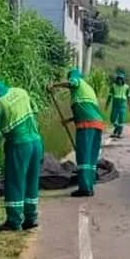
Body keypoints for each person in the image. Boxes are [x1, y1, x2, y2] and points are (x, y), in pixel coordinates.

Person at [0, 75, 43, 231]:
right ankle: (31, 218)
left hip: (19, 145)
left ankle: (14, 221)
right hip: (36, 142)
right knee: (31, 181)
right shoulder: (20, 92)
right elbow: (35, 112)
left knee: (15, 182)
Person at [47, 68, 105, 197]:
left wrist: (54, 85)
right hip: (97, 125)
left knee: (83, 157)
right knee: (90, 158)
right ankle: (90, 184)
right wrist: (69, 120)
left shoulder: (77, 82)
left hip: (86, 126)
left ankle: (84, 188)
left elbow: (72, 83)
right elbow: (86, 109)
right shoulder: (88, 89)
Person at [107, 71, 130, 138]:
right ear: (117, 79)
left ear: (123, 80)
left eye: (121, 79)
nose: (120, 80)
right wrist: (107, 105)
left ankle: (118, 134)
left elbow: (129, 97)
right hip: (115, 104)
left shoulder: (127, 87)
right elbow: (109, 96)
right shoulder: (113, 86)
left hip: (122, 105)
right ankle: (116, 129)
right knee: (112, 119)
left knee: (121, 120)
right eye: (118, 79)